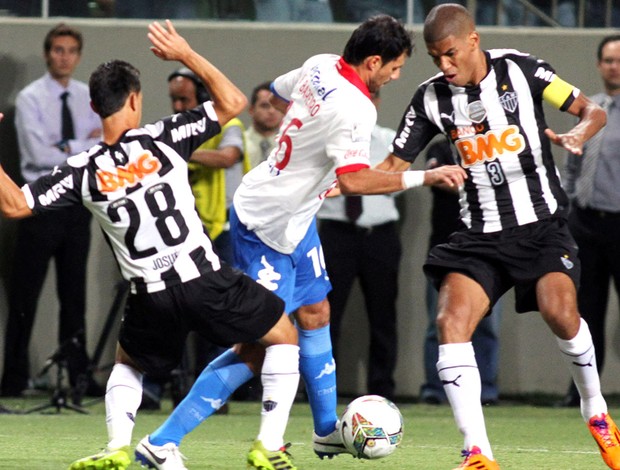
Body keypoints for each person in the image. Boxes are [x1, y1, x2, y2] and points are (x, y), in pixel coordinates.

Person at [138, 14, 466, 468]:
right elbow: (353, 182)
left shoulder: (322, 64)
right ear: (374, 61)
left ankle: (326, 430)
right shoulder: (357, 107)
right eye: (394, 68)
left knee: (316, 312)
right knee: (263, 344)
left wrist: (310, 159)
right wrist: (425, 176)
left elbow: (276, 89)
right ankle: (167, 442)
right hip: (265, 225)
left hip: (297, 220)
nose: (395, 76)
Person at [0, 20, 301, 470]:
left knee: (128, 363)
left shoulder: (81, 169)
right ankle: (269, 445)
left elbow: (15, 206)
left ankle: (119, 445)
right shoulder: (163, 137)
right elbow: (234, 102)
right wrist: (185, 53)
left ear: (94, 105)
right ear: (135, 99)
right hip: (203, 277)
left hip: (149, 294)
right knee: (283, 335)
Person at [374, 4, 620, 469]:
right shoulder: (430, 99)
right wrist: (347, 176)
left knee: (560, 312)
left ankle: (597, 410)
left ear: (473, 41)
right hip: (479, 236)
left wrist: (578, 133)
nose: (444, 66)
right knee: (450, 323)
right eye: (434, 58)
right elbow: (392, 167)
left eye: (449, 54)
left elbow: (591, 110)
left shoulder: (522, 70)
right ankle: (477, 453)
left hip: (541, 228)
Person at [1, 23, 102, 400]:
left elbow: (101, 148)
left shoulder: (86, 96)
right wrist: (79, 144)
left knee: (73, 296)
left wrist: (65, 146)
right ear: (48, 54)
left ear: (77, 55)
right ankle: (13, 378)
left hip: (77, 206)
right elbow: (40, 156)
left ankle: (78, 377)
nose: (64, 56)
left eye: (71, 50)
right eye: (58, 49)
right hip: (36, 206)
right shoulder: (29, 98)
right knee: (24, 296)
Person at [317, 90, 401, 401]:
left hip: (379, 234)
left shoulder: (390, 142)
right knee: (326, 312)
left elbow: (395, 183)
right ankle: (323, 387)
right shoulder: (329, 142)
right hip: (336, 233)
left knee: (383, 314)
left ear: (376, 104)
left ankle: (383, 389)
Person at [560, 35, 620, 408]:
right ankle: (584, 393)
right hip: (585, 222)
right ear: (599, 65)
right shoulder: (590, 110)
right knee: (586, 312)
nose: (614, 66)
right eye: (609, 60)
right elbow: (572, 164)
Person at [419, 138, 501, 406]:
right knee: (439, 321)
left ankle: (486, 389)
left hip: (489, 250)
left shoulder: (493, 145)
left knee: (486, 325)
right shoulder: (441, 148)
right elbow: (440, 179)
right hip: (446, 249)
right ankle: (436, 388)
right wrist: (481, 185)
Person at [245, 81, 283, 169]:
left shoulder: (287, 147)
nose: (272, 111)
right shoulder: (238, 145)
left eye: (277, 107)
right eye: (265, 106)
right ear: (251, 110)